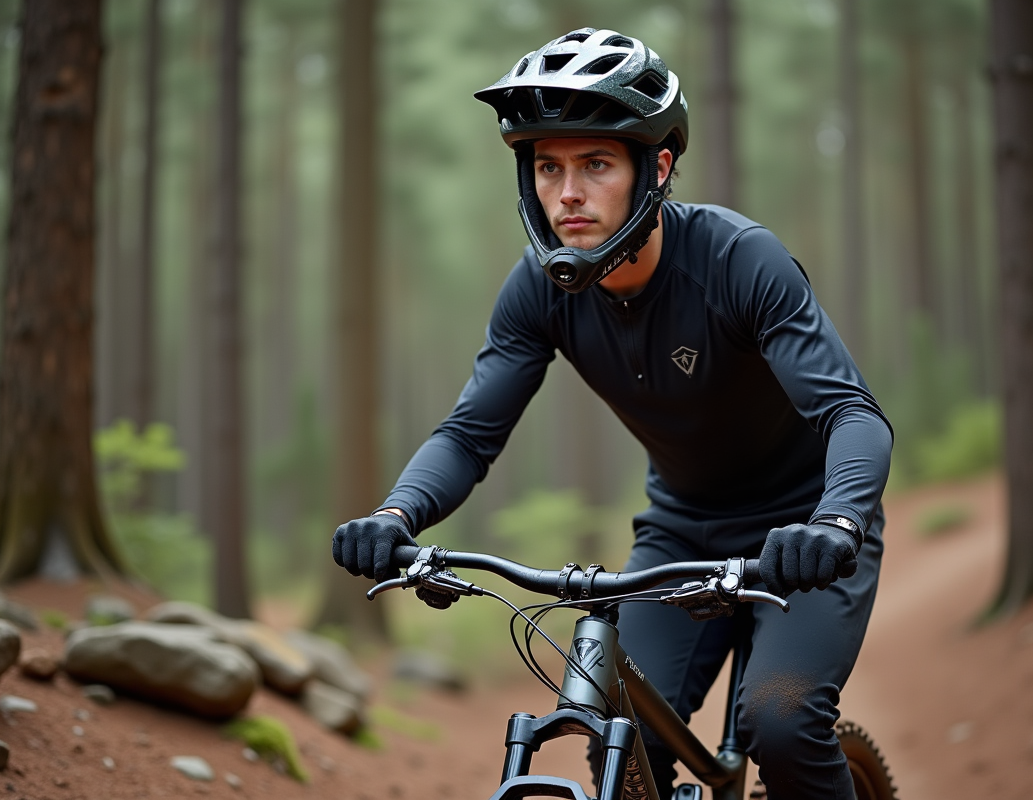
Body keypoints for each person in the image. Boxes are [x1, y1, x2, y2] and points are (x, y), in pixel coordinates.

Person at [333, 28, 893, 800]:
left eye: (595, 164)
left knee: (782, 721)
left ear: (655, 167)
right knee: (615, 740)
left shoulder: (737, 261)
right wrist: (397, 514)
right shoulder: (539, 292)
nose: (566, 194)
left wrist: (837, 524)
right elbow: (468, 434)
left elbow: (851, 414)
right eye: (547, 167)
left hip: (808, 529)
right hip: (681, 530)